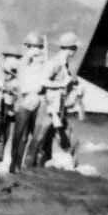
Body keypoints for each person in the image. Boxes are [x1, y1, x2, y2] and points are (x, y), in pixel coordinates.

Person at [34, 32, 83, 166]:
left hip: (59, 108)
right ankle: (31, 169)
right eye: (75, 48)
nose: (76, 51)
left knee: (66, 141)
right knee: (40, 140)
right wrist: (61, 84)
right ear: (72, 48)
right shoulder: (55, 63)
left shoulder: (64, 63)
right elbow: (42, 82)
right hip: (49, 109)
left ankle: (43, 167)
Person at [10, 33, 47, 172]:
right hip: (24, 103)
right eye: (34, 47)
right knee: (20, 136)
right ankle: (14, 165)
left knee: (35, 136)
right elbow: (22, 84)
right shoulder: (23, 62)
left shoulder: (42, 63)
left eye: (39, 47)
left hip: (36, 102)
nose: (37, 50)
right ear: (27, 47)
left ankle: (27, 166)